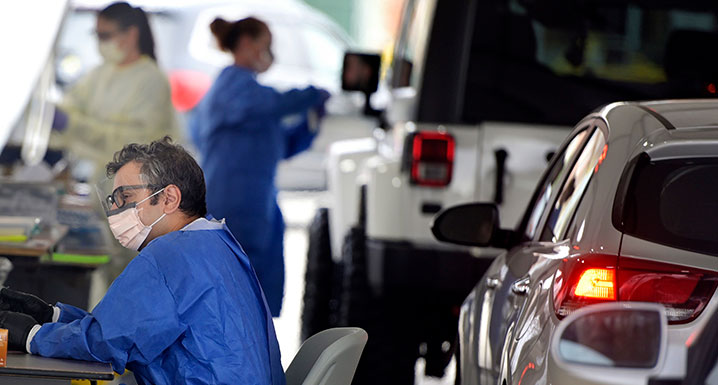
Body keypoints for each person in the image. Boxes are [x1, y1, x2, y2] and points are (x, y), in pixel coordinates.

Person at [0, 138, 284, 385]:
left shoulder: (171, 256)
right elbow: (129, 326)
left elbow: (107, 343)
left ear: (169, 198)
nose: (115, 210)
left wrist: (30, 335)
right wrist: (52, 315)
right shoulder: (213, 243)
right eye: (113, 200)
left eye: (125, 197)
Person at [189, 17, 330, 316]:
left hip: (257, 205)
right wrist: (312, 95)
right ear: (246, 44)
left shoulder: (252, 95)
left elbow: (281, 145)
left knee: (252, 299)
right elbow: (274, 103)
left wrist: (311, 122)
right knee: (230, 294)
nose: (270, 54)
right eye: (266, 45)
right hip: (233, 203)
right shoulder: (232, 86)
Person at [53, 2, 179, 183]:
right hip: (104, 184)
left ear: (132, 34)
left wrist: (72, 124)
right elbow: (72, 105)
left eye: (106, 35)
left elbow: (136, 144)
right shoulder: (99, 74)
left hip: (140, 187)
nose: (100, 42)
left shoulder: (151, 80)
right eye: (97, 35)